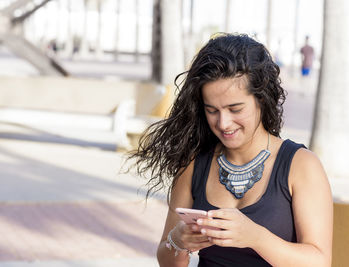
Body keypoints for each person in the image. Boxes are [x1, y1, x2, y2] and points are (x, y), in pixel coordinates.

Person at [127, 33, 332, 266]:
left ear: (261, 100)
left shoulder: (300, 165)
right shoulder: (194, 163)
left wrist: (256, 237)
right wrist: (177, 240)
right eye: (212, 110)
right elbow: (167, 261)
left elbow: (319, 261)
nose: (223, 123)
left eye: (235, 109)